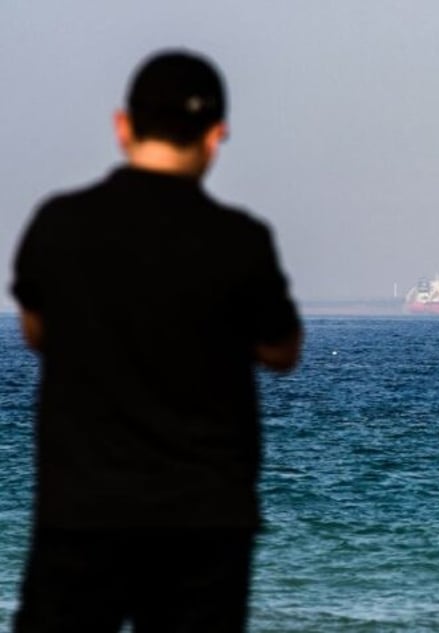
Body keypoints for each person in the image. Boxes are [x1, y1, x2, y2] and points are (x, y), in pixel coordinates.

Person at [11, 49, 302, 632]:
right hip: (206, 523)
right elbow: (282, 351)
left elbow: (36, 328)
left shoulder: (59, 224)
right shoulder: (240, 241)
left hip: (81, 513)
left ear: (123, 125)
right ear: (216, 135)